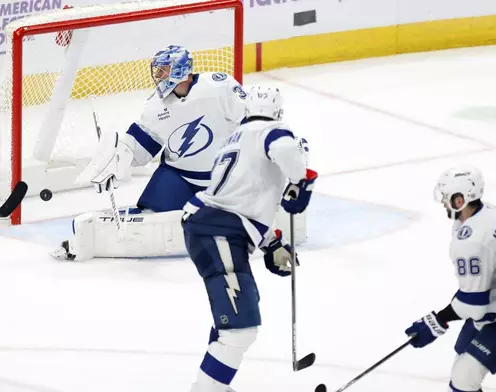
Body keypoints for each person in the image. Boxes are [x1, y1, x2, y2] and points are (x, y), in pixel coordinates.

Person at [50, 45, 248, 261]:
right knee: (152, 218)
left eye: (163, 69)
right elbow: (143, 145)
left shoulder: (219, 87)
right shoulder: (157, 105)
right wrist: (117, 160)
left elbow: (253, 120)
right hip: (178, 176)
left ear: (181, 70)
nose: (158, 75)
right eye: (158, 70)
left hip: (224, 177)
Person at [180, 85, 317, 391]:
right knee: (240, 329)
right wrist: (300, 179)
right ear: (278, 113)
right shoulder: (272, 132)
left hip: (211, 225)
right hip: (218, 231)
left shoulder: (235, 140)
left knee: (234, 316)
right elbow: (283, 148)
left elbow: (242, 199)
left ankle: (211, 385)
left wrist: (271, 244)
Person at [404, 167, 496, 392]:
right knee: (463, 352)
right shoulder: (486, 211)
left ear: (460, 199)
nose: (443, 203)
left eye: (447, 198)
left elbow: (477, 305)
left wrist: (438, 320)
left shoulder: (471, 242)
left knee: (463, 377)